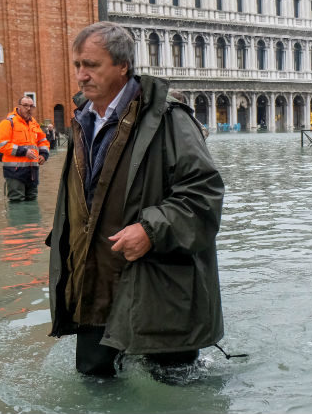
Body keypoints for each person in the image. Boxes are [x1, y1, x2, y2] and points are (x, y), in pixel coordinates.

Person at [45, 21, 225, 379]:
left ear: (122, 65)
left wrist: (150, 230)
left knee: (172, 389)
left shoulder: (170, 120)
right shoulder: (82, 120)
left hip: (158, 287)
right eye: (77, 65)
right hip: (93, 285)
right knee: (95, 382)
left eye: (91, 65)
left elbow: (204, 193)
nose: (81, 76)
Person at [0, 96, 50, 201]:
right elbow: (1, 145)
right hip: (14, 172)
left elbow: (43, 140)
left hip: (32, 171)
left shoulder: (34, 124)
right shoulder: (8, 123)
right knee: (17, 201)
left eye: (31, 106)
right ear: (18, 107)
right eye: (25, 105)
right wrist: (24, 151)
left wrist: (44, 154)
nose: (28, 108)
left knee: (32, 199)